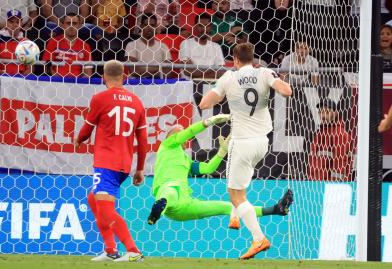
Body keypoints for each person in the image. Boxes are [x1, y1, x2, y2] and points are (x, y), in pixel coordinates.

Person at [199, 43, 293, 259]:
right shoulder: (264, 72)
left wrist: (223, 94)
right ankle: (235, 215)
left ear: (234, 59)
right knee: (242, 184)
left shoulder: (228, 78)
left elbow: (204, 104)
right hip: (262, 142)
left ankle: (258, 238)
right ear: (253, 58)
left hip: (241, 142)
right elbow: (287, 90)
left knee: (234, 193)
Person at [147, 119, 294, 226]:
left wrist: (222, 152)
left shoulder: (186, 161)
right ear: (170, 138)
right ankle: (158, 209)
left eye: (183, 133)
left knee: (230, 207)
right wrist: (208, 122)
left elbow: (208, 169)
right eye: (180, 133)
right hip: (167, 193)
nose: (184, 136)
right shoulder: (166, 146)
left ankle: (275, 209)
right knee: (170, 191)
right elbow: (189, 131)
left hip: (185, 206)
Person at [74, 60, 148, 262]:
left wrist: (79, 140)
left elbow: (87, 129)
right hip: (124, 164)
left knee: (106, 211)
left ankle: (133, 251)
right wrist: (139, 169)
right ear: (123, 76)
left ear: (104, 77)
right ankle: (110, 249)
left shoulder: (100, 98)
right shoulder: (136, 101)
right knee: (93, 199)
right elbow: (142, 140)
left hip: (106, 162)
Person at [308, 99, 353, 181]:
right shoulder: (319, 132)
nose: (323, 116)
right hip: (315, 183)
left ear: (335, 113)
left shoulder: (340, 133)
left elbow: (340, 162)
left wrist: (335, 183)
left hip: (332, 185)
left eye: (327, 112)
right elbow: (313, 159)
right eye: (320, 112)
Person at [42, 13, 92, 77]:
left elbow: (87, 72)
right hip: (56, 83)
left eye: (74, 23)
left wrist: (79, 84)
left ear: (79, 26)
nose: (71, 26)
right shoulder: (53, 42)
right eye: (68, 23)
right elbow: (47, 67)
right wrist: (59, 82)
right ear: (63, 25)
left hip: (77, 84)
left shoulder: (85, 46)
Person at [179, 13, 225, 79]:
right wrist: (212, 71)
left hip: (210, 84)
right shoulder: (186, 43)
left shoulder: (216, 46)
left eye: (207, 26)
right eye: (200, 26)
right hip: (190, 84)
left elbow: (221, 71)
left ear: (211, 27)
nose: (204, 29)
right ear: (195, 26)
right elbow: (188, 71)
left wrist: (198, 74)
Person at [125, 14, 171, 78]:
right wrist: (159, 69)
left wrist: (144, 70)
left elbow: (168, 71)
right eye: (146, 25)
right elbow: (135, 71)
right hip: (137, 83)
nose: (149, 28)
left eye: (152, 25)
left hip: (158, 83)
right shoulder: (132, 45)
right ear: (141, 26)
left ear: (156, 27)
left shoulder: (163, 46)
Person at [0, 10, 31, 75]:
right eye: (11, 22)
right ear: (6, 23)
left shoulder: (26, 42)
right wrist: (5, 76)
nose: (14, 25)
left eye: (17, 22)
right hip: (1, 77)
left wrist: (22, 78)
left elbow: (30, 67)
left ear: (21, 24)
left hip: (21, 79)